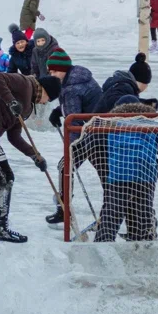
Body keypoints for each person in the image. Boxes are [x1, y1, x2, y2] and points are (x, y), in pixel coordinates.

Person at [0, 71, 62, 243]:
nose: (45, 103)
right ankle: (0, 227)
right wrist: (11, 101)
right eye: (48, 100)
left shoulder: (28, 107)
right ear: (46, 91)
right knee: (5, 177)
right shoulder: (24, 83)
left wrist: (35, 155)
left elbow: (14, 137)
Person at [93, 96, 158, 242]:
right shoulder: (150, 125)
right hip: (145, 178)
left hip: (118, 177)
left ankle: (100, 252)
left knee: (109, 221)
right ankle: (142, 249)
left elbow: (98, 148)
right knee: (142, 223)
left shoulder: (112, 125)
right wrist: (154, 173)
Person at [43, 47, 102, 226]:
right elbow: (77, 108)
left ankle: (64, 210)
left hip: (90, 134)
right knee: (106, 172)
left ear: (63, 69)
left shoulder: (70, 88)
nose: (52, 74)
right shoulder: (79, 77)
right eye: (50, 71)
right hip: (99, 130)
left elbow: (73, 123)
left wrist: (70, 149)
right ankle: (112, 211)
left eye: (54, 71)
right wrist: (58, 111)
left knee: (64, 167)